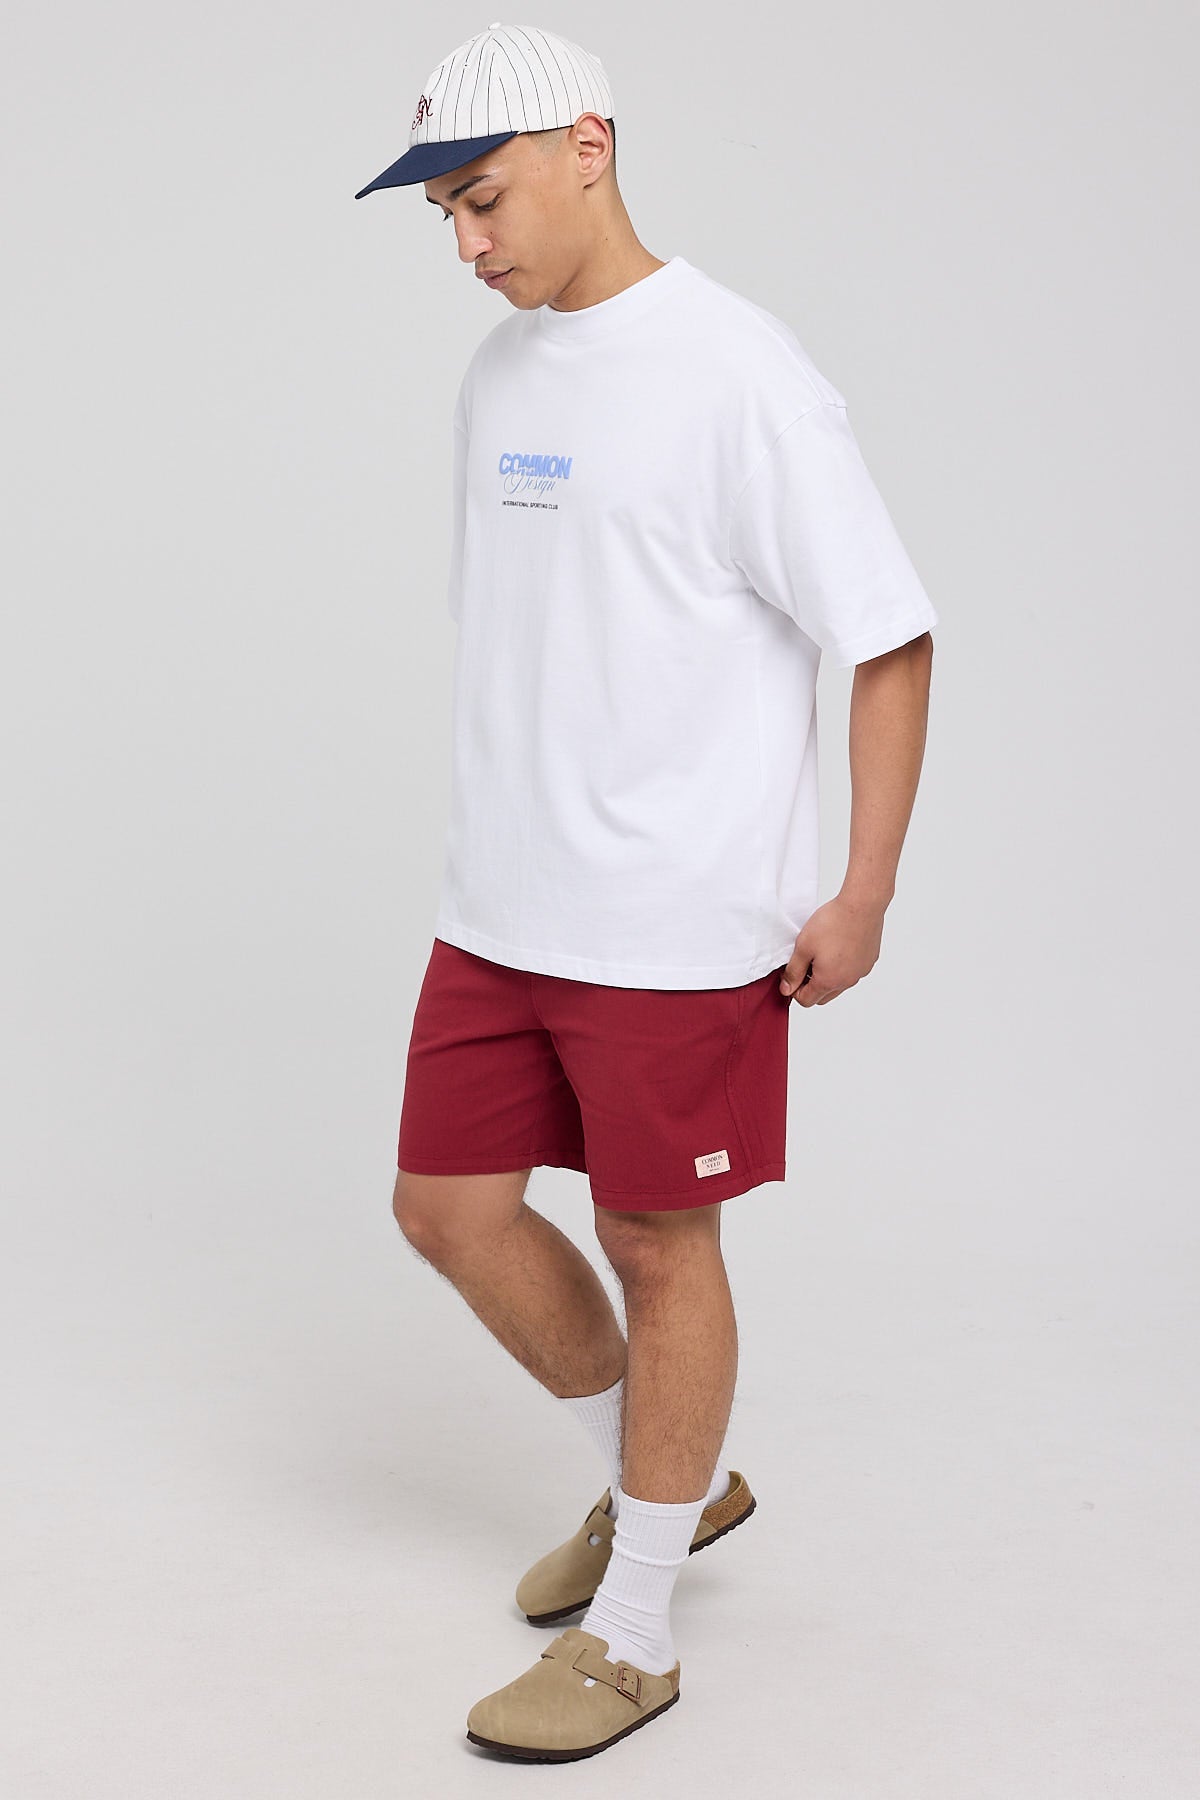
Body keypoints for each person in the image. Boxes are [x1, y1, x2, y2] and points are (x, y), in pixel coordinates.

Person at [354, 22, 937, 1763]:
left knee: (656, 1242)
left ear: (589, 147)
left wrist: (864, 888)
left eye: (484, 197)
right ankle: (662, 1481)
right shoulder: (501, 375)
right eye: (445, 216)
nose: (468, 243)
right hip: (500, 902)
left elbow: (888, 633)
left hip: (678, 922)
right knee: (447, 1210)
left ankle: (635, 1633)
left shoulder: (743, 374)